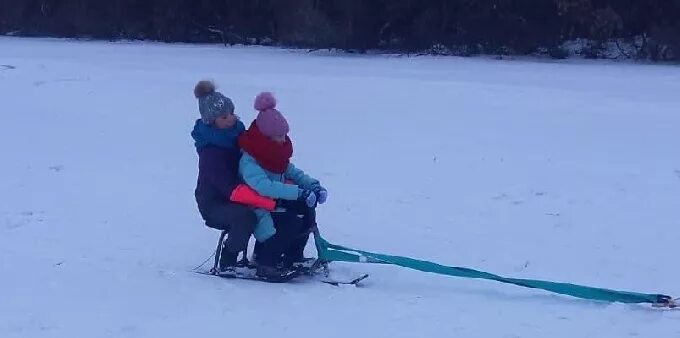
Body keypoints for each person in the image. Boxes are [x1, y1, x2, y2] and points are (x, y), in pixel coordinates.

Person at [237, 92, 328, 281]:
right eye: (278, 136)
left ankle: (293, 256)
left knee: (306, 209)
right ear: (265, 137)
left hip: (273, 202)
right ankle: (266, 262)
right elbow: (264, 187)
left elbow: (293, 172)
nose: (282, 140)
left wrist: (314, 186)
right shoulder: (250, 160)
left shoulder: (275, 155)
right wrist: (298, 192)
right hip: (256, 206)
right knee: (290, 220)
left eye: (284, 135)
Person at [191, 81, 275, 276]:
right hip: (215, 202)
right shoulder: (211, 153)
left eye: (231, 114)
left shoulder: (237, 135)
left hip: (240, 193)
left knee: (276, 207)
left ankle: (266, 256)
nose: (230, 119)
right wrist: (259, 198)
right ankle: (228, 259)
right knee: (245, 217)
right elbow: (226, 186)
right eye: (224, 117)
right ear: (212, 121)